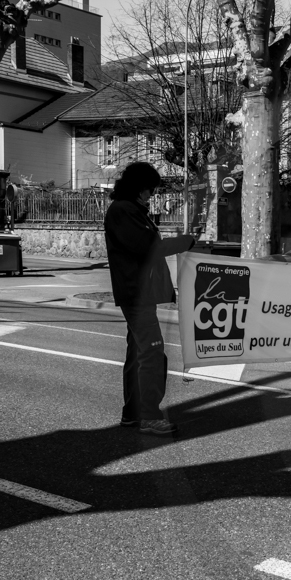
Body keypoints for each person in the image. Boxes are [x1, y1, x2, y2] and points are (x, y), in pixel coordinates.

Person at [104, 162, 198, 436]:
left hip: (138, 292)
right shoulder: (124, 210)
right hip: (136, 294)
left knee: (137, 354)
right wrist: (186, 241)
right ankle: (149, 416)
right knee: (153, 353)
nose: (152, 195)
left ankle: (133, 415)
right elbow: (149, 248)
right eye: (150, 189)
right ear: (138, 187)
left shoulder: (131, 211)